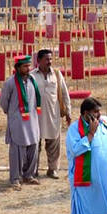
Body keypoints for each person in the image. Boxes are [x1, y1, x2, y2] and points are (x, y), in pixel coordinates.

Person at [0, 55, 44, 189]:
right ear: (17, 68)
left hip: (32, 120)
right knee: (17, 151)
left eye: (29, 66)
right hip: (17, 122)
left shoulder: (32, 80)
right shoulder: (10, 83)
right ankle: (15, 178)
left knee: (33, 147)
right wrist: (12, 114)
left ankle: (29, 175)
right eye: (25, 66)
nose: (28, 68)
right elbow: (3, 103)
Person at [31, 49, 71, 179]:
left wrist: (68, 112)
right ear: (39, 61)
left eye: (51, 59)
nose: (50, 62)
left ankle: (53, 169)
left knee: (54, 143)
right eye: (47, 59)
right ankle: (33, 169)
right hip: (36, 116)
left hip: (53, 114)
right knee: (35, 144)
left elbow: (65, 94)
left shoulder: (57, 75)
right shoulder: (32, 76)